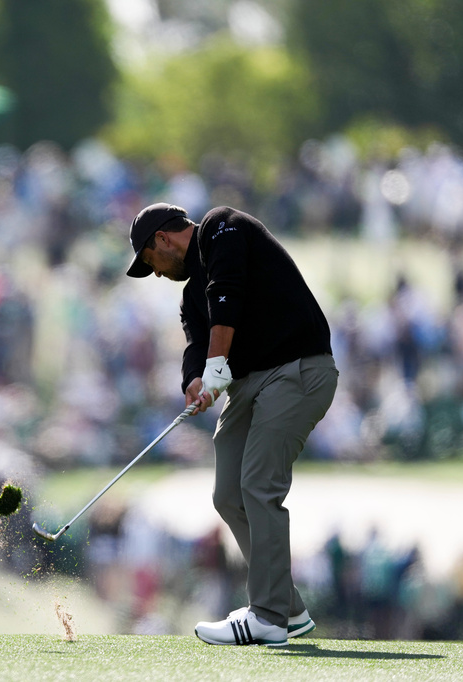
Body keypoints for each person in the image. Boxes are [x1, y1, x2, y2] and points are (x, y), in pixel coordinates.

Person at [125, 203, 338, 646]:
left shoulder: (223, 227)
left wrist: (218, 366)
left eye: (151, 262)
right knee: (228, 494)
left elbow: (229, 292)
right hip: (248, 385)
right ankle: (290, 609)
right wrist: (196, 378)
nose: (158, 274)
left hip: (297, 369)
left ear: (163, 239)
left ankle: (267, 615)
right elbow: (195, 344)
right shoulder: (189, 297)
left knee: (259, 484)